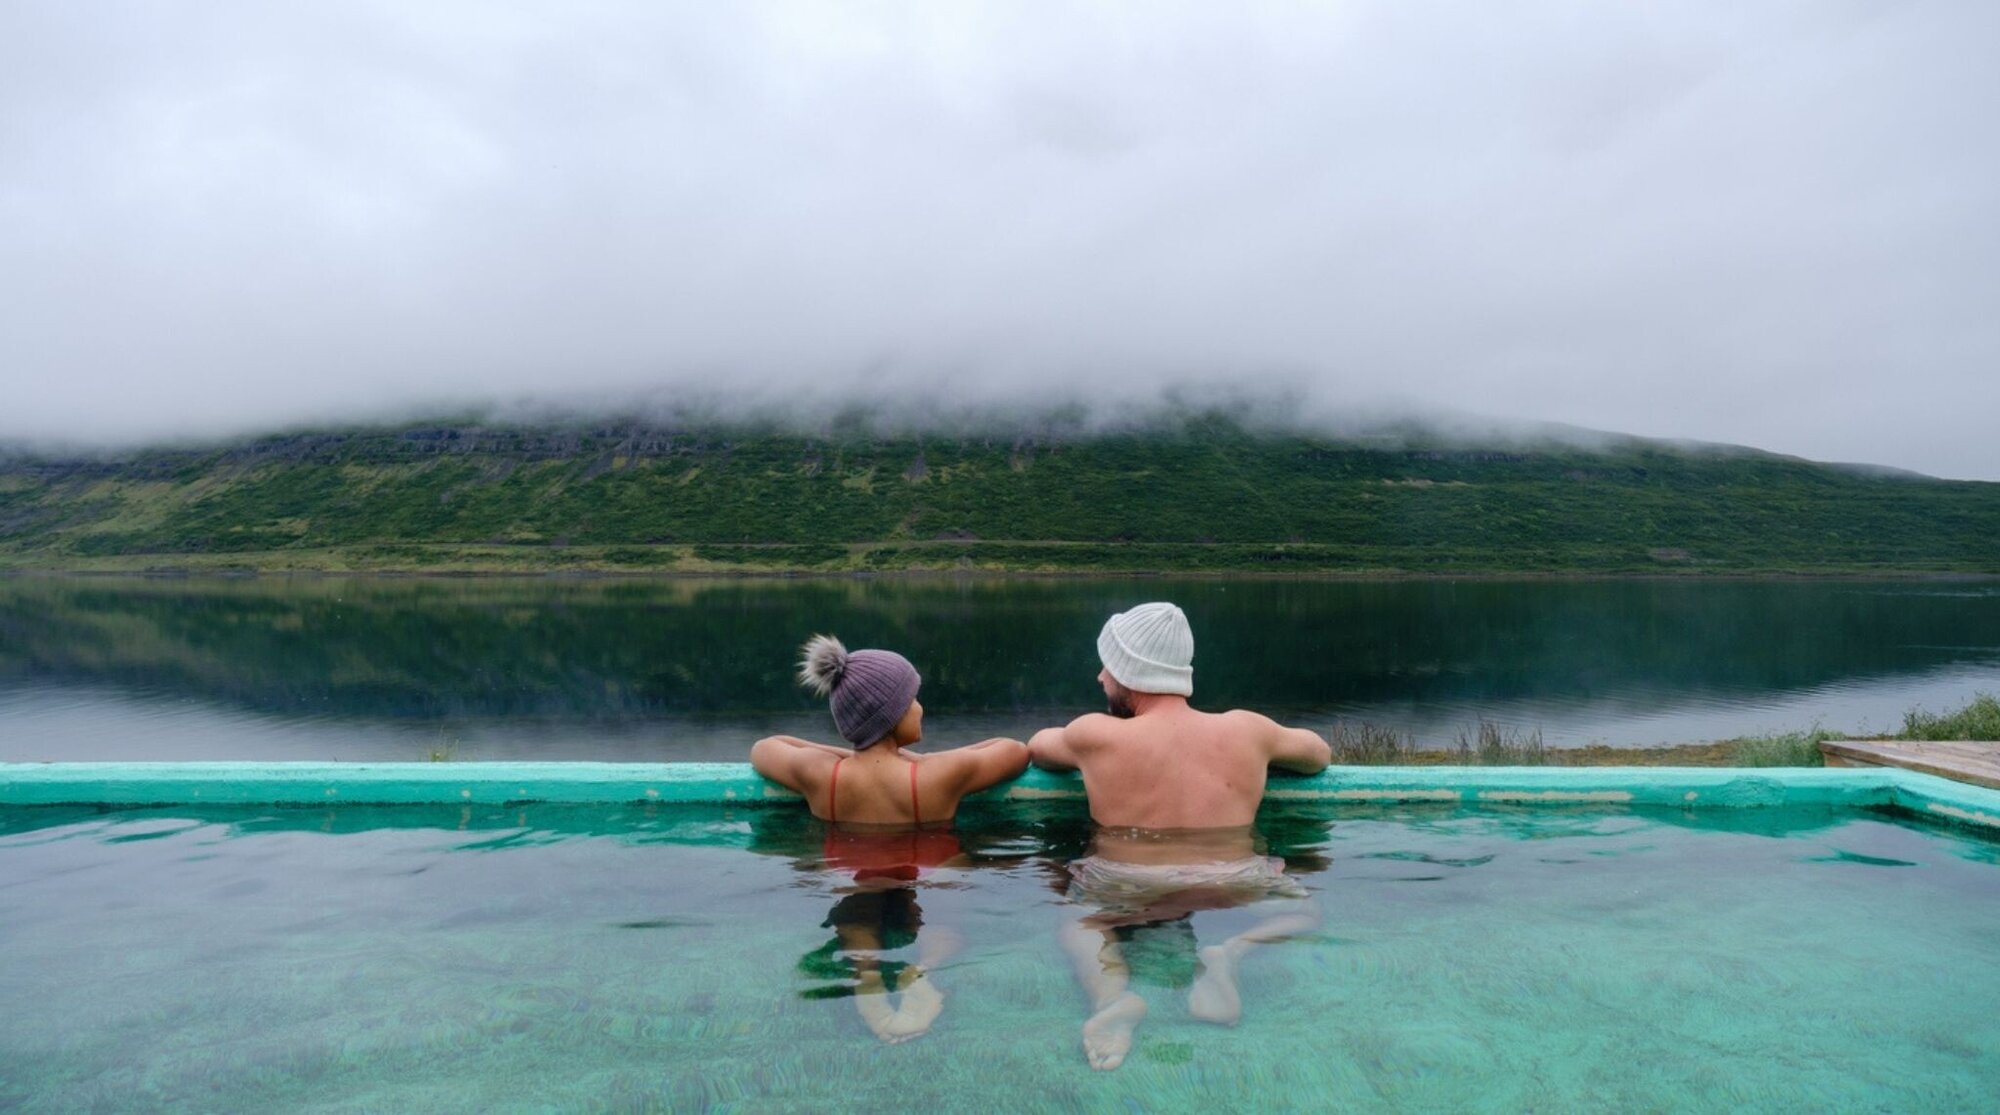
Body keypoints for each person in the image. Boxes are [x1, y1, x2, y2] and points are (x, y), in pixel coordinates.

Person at [1028, 602, 1332, 1070]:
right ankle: (1229, 953)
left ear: (1128, 673)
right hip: (1233, 877)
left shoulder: (1094, 735)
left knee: (1081, 927)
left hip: (1125, 881)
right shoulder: (1247, 729)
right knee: (1307, 911)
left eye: (1107, 667)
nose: (1100, 679)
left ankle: (1112, 1000)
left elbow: (1039, 748)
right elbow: (1318, 754)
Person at [752, 634, 1029, 1042]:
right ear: (891, 714)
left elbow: (766, 747)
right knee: (949, 898)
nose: (921, 706)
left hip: (854, 866)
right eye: (913, 699)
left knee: (858, 911)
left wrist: (850, 752)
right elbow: (1014, 750)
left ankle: (867, 979)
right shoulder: (937, 775)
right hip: (928, 857)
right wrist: (921, 760)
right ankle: (925, 971)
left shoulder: (821, 775)